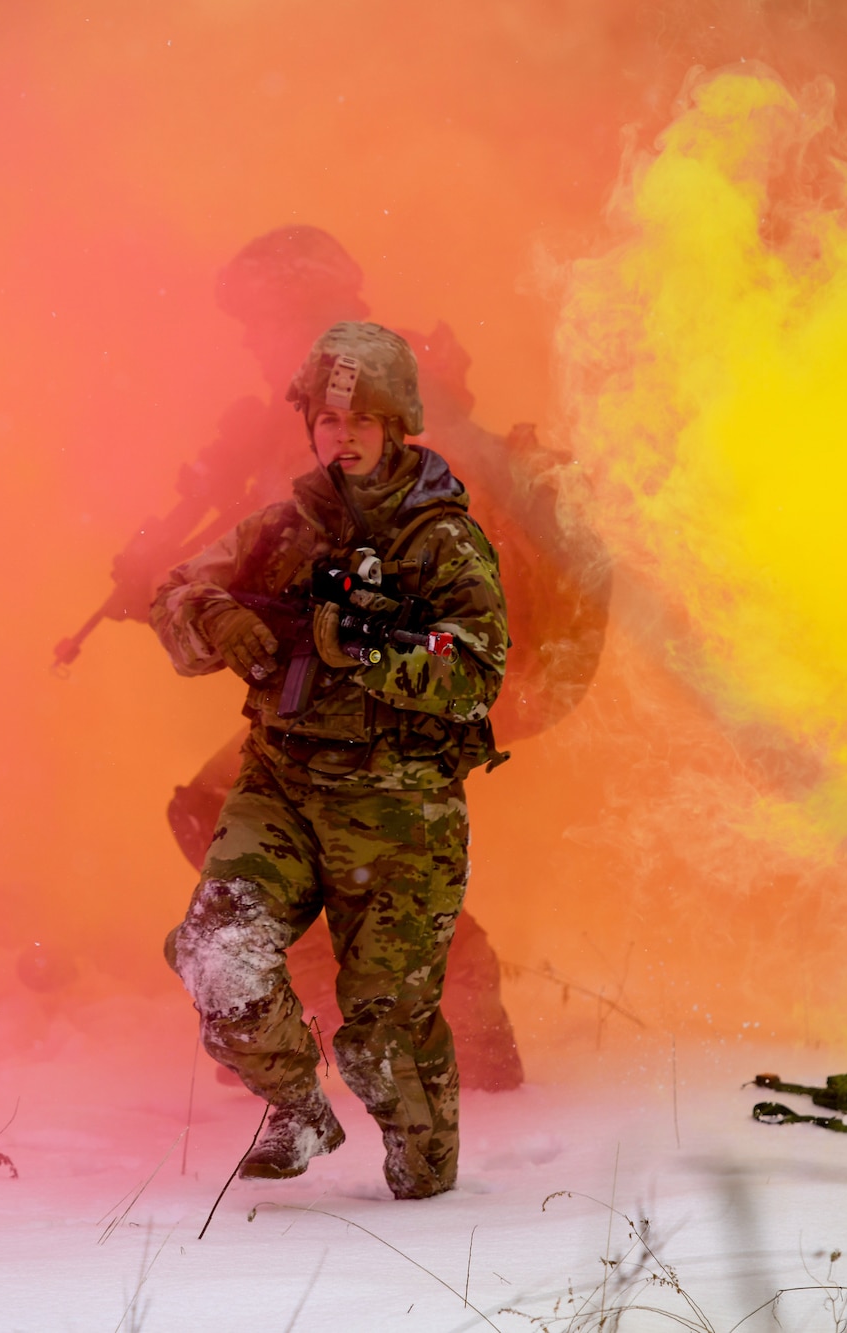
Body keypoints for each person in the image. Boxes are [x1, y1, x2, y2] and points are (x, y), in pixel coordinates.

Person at [152, 321, 506, 1199]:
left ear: (396, 426)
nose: (340, 439)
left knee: (387, 1035)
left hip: (400, 811)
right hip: (282, 784)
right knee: (216, 953)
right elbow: (175, 590)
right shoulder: (283, 527)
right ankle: (298, 1108)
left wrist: (372, 647)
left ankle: (431, 1206)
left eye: (360, 422)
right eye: (325, 422)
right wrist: (217, 620)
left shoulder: (442, 541)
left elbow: (478, 671)